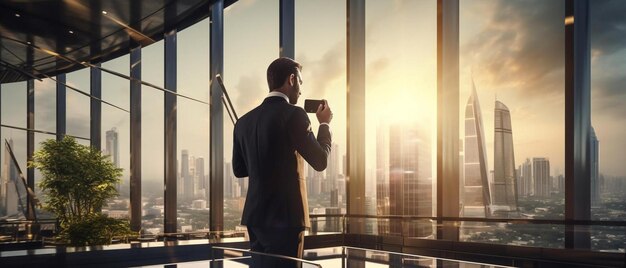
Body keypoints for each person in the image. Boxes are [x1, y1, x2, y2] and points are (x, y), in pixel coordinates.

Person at [232, 57, 332, 267]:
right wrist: (324, 125)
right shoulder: (294, 114)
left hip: (255, 218)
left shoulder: (243, 122)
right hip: (286, 218)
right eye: (301, 84)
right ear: (292, 79)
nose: (301, 91)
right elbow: (320, 160)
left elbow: (239, 169)